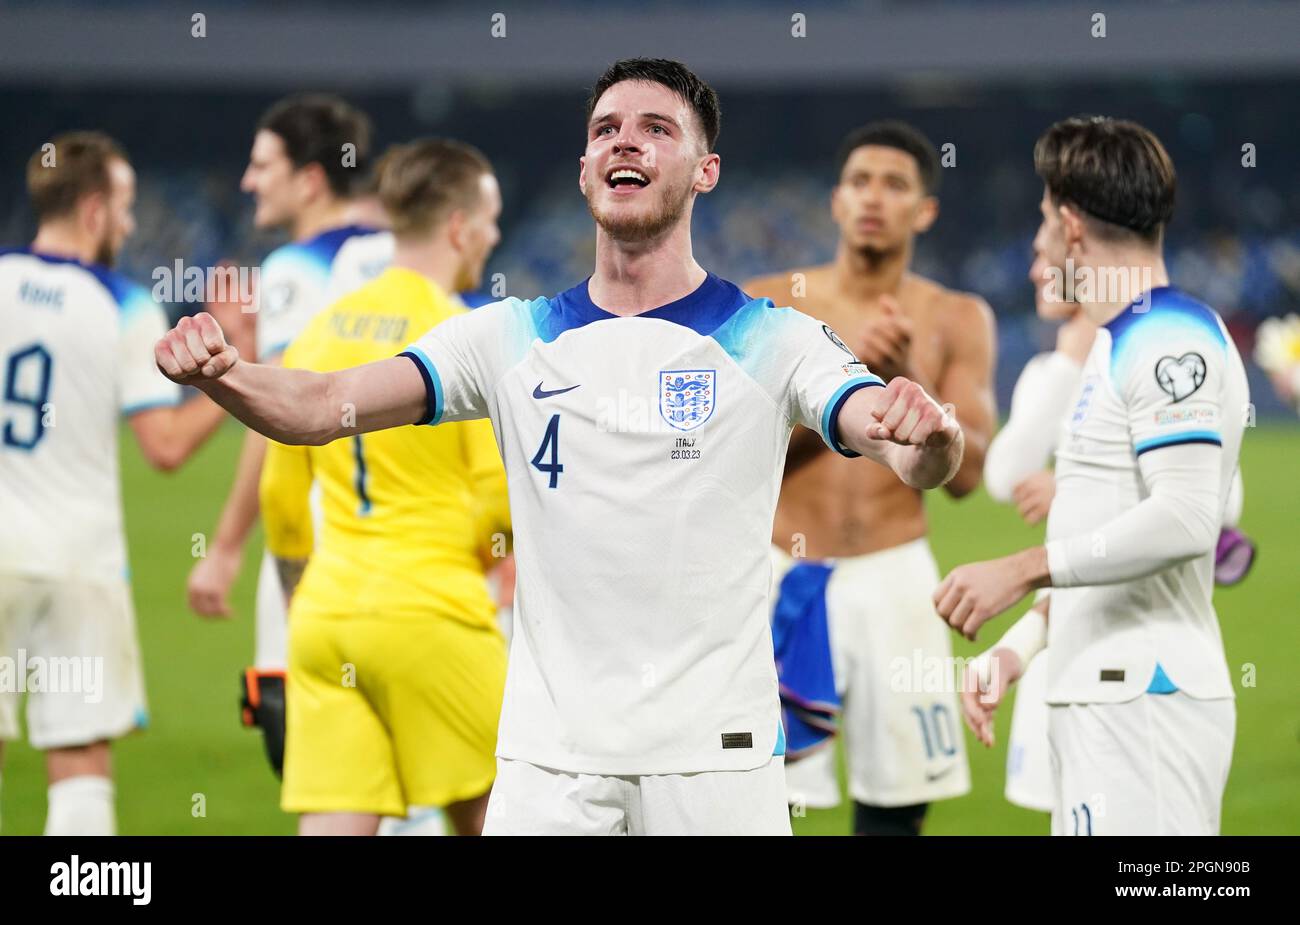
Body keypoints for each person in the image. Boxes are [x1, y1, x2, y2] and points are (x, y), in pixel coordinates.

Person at [155, 58, 964, 836]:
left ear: (705, 170)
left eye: (655, 128)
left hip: (717, 758)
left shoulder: (773, 338)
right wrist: (225, 375)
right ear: (584, 170)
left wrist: (926, 440)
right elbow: (326, 402)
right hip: (551, 761)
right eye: (606, 128)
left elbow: (890, 437)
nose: (625, 140)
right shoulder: (508, 336)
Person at [937, 116, 1247, 835]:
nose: (1039, 241)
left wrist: (1021, 567)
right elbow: (1106, 537)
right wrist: (1020, 646)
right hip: (1106, 696)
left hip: (1149, 702)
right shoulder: (1112, 348)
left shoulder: (1172, 341)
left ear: (1072, 226)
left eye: (1045, 220)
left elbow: (1188, 517)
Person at [745, 121, 995, 835]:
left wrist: (909, 381)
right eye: (859, 182)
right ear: (835, 201)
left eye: (894, 184)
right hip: (782, 571)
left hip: (897, 577)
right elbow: (736, 451)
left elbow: (968, 473)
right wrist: (848, 375)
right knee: (762, 798)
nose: (873, 198)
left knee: (898, 802)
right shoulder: (771, 302)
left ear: (925, 210)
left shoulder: (955, 316)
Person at [261, 138, 509, 836]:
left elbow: (282, 503)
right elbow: (497, 500)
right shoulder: (464, 334)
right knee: (508, 813)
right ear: (460, 225)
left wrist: (301, 596)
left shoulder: (320, 330)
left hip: (325, 618)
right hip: (431, 611)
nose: (492, 236)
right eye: (489, 220)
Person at [0, 132, 240, 834]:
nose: (132, 225)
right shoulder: (124, 305)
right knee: (79, 760)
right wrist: (234, 368)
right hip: (80, 563)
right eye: (128, 208)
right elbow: (163, 446)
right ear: (98, 209)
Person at [185, 94, 387, 774]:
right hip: (409, 531)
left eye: (261, 163)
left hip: (319, 530)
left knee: (307, 747)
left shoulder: (294, 271)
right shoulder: (398, 253)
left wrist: (227, 546)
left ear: (309, 179)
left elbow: (278, 423)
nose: (247, 180)